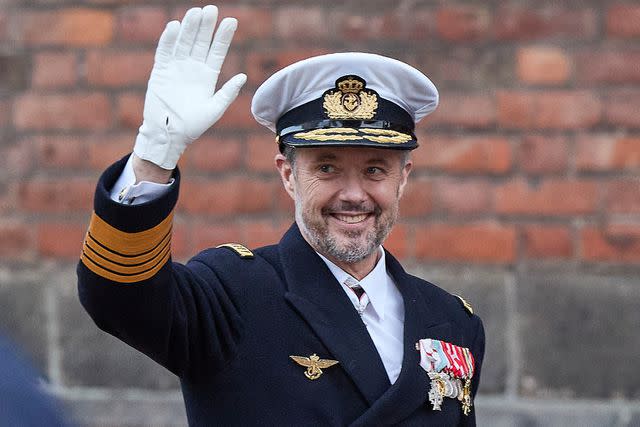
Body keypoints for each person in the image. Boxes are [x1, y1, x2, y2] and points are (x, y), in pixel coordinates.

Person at [77, 5, 485, 426]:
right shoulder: (232, 292)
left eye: (374, 170)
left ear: (402, 179)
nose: (352, 194)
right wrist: (155, 156)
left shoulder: (452, 322)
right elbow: (117, 297)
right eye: (326, 168)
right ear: (288, 175)